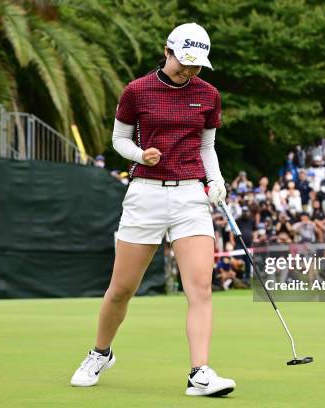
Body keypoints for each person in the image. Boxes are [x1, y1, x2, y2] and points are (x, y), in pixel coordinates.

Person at [69, 23, 235, 396]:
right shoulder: (137, 91)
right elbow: (119, 139)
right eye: (183, 62)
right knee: (121, 290)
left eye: (196, 65)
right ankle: (100, 352)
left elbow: (207, 147)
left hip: (191, 196)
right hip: (145, 194)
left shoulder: (208, 95)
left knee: (201, 288)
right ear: (167, 50)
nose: (189, 71)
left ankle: (200, 372)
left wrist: (216, 181)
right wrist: (140, 154)